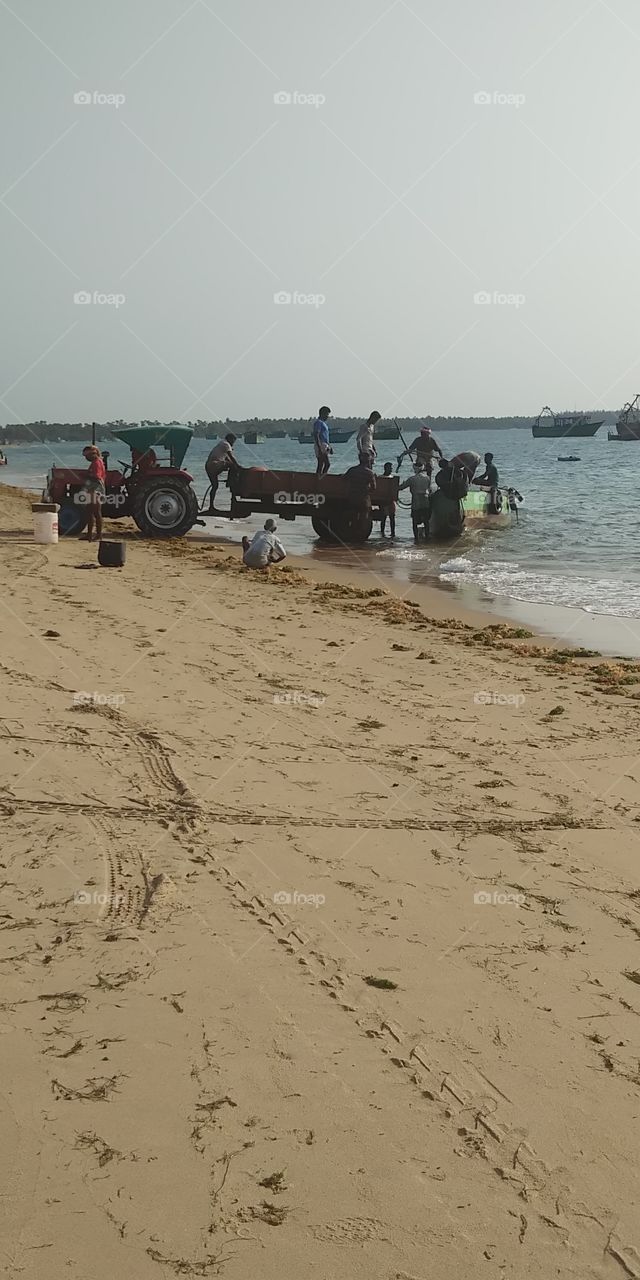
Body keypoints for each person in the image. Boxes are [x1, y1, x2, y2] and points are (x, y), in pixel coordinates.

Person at [205, 434, 239, 513]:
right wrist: (238, 467)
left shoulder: (222, 444)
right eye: (233, 441)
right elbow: (231, 457)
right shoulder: (226, 444)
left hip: (209, 466)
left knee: (215, 486)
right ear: (230, 439)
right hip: (213, 465)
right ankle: (232, 483)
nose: (233, 443)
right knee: (232, 465)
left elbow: (228, 458)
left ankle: (211, 507)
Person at [399, 460, 431, 541]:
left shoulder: (412, 479)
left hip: (416, 501)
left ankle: (416, 538)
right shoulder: (427, 478)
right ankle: (427, 537)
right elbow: (429, 489)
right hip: (425, 501)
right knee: (426, 521)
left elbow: (401, 487)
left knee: (415, 522)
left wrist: (397, 486)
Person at [81, 445, 106, 542]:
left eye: (86, 456)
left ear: (92, 454)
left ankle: (98, 535)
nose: (86, 458)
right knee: (89, 511)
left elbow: (96, 477)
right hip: (93, 489)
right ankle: (89, 534)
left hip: (96, 489)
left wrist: (86, 476)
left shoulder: (96, 463)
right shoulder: (96, 462)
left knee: (96, 512)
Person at [313, 406, 332, 476]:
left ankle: (319, 478)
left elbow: (326, 436)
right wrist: (319, 447)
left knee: (321, 463)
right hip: (321, 444)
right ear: (322, 413)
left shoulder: (323, 423)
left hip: (325, 445)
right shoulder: (318, 422)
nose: (327, 416)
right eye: (327, 414)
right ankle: (322, 478)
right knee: (327, 464)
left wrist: (329, 446)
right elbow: (316, 435)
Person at [380, 461, 396, 538]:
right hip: (383, 501)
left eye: (391, 468)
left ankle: (393, 533)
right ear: (385, 468)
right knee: (383, 518)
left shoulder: (392, 478)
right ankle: (382, 533)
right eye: (390, 468)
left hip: (391, 501)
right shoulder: (381, 478)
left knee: (392, 517)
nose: (391, 470)